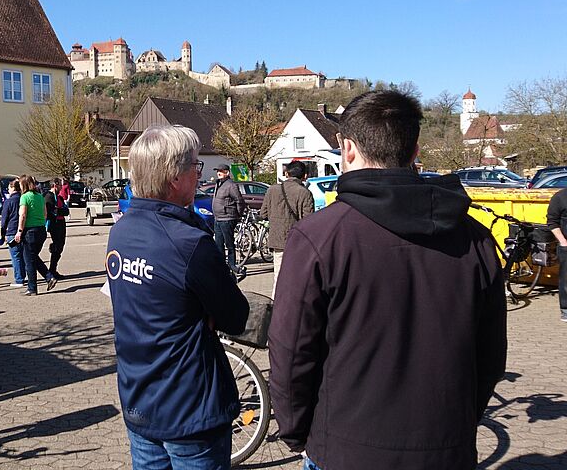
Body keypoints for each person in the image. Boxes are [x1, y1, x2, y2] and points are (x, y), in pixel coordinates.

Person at [267, 91, 507, 470]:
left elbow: (291, 353)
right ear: (414, 152)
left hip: (345, 450)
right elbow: (491, 356)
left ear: (347, 149)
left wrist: (297, 432)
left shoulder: (319, 237)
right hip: (446, 448)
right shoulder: (476, 238)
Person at [107, 124, 249, 470]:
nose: (199, 176)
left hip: (138, 398)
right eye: (195, 167)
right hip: (190, 409)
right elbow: (236, 316)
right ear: (174, 177)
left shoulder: (120, 232)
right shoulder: (189, 242)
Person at [259, 161, 314, 297]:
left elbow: (263, 213)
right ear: (305, 176)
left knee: (278, 276)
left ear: (286, 174)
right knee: (297, 277)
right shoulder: (304, 193)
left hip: (277, 240)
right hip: (297, 241)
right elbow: (308, 221)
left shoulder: (272, 190)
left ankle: (275, 307)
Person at [13, 175, 56, 295]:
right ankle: (49, 277)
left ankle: (32, 288)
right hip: (41, 230)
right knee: (33, 258)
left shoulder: (24, 197)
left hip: (29, 231)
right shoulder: (40, 197)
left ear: (23, 185)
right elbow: (45, 214)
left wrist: (19, 231)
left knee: (29, 261)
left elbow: (22, 215)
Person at [211, 163, 246, 277]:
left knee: (229, 244)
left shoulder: (231, 185)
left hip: (227, 218)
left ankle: (232, 265)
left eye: (221, 171)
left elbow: (239, 201)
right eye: (217, 171)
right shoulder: (218, 183)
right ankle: (221, 267)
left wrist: (237, 215)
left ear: (227, 172)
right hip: (218, 218)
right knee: (218, 245)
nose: (218, 173)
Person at [545, 188, 567, 322]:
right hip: (566, 245)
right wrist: (563, 242)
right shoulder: (560, 197)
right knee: (566, 278)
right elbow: (552, 222)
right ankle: (565, 309)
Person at [0, 178, 26, 287]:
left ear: (12, 188)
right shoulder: (22, 199)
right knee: (23, 255)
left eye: (9, 188)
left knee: (15, 256)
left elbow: (4, 219)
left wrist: (2, 233)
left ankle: (19, 279)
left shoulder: (9, 201)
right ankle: (23, 276)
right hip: (23, 230)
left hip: (11, 231)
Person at [44, 177, 68, 280]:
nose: (61, 188)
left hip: (61, 223)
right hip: (55, 224)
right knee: (57, 246)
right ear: (55, 185)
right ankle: (52, 270)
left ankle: (53, 269)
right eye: (60, 185)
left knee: (60, 246)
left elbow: (66, 211)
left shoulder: (60, 198)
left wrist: (61, 210)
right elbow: (53, 212)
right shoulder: (48, 197)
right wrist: (60, 210)